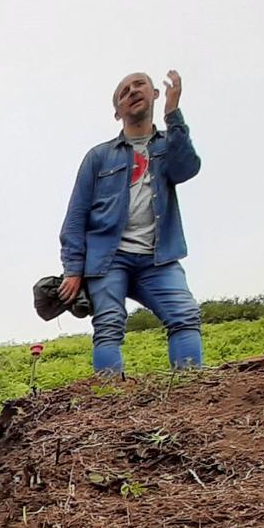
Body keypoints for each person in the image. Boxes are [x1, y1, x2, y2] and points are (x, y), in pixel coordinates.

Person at [58, 70, 203, 377]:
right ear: (117, 112)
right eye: (124, 92)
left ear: (154, 94)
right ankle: (109, 400)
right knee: (109, 324)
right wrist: (72, 269)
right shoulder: (98, 157)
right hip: (109, 258)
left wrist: (173, 115)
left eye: (139, 85)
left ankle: (191, 390)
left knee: (185, 315)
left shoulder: (167, 146)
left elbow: (186, 168)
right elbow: (76, 215)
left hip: (159, 257)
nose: (132, 91)